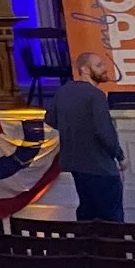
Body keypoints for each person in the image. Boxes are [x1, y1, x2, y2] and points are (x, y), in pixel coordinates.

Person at [45, 51, 126, 220]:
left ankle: (87, 247)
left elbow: (50, 119)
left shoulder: (63, 91)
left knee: (87, 215)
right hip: (100, 166)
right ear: (85, 70)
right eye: (99, 65)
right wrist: (120, 156)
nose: (104, 69)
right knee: (110, 219)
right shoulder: (96, 96)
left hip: (76, 165)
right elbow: (104, 131)